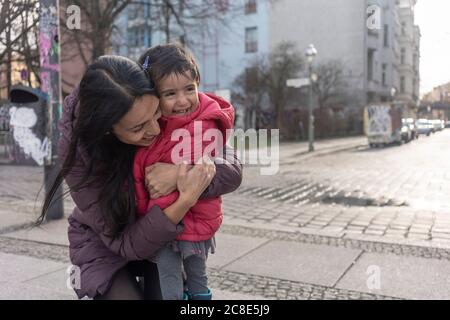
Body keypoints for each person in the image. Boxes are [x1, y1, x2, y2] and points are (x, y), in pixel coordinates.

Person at [37, 55, 243, 300]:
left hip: (161, 239)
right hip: (106, 242)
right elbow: (125, 243)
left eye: (156, 113)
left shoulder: (160, 94)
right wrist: (185, 200)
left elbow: (232, 168)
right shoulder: (80, 153)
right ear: (107, 129)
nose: (155, 130)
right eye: (138, 128)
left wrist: (178, 173)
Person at [133, 43, 234, 300]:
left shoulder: (205, 123)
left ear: (198, 83)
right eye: (170, 94)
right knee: (170, 282)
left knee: (197, 280)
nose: (182, 101)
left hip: (195, 219)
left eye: (190, 89)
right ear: (153, 96)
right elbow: (141, 172)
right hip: (163, 224)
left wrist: (171, 180)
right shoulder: (152, 126)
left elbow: (206, 170)